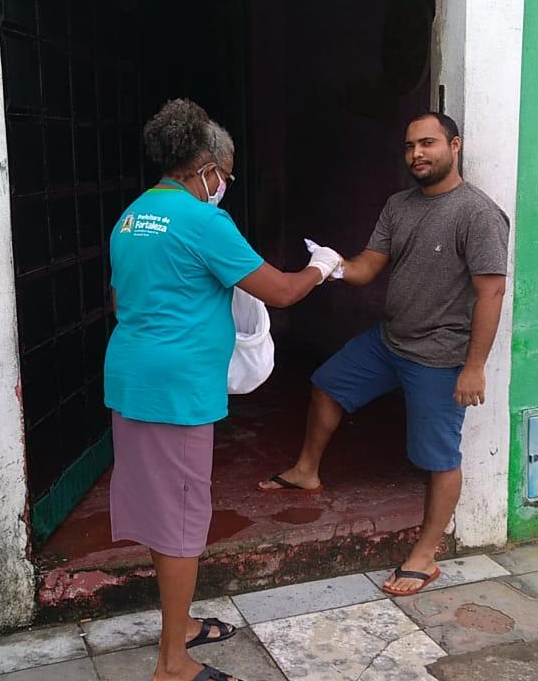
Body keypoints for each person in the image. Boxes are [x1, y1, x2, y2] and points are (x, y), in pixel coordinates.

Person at [105, 99, 341, 681]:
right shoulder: (203, 221)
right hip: (177, 390)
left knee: (164, 511)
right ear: (206, 166)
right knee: (184, 521)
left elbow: (120, 300)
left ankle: (179, 626)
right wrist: (323, 267)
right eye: (226, 176)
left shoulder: (133, 216)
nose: (225, 186)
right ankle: (173, 664)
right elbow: (282, 292)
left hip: (133, 377)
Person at [258, 112, 509, 597]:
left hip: (439, 353)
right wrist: (329, 266)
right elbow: (368, 268)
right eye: (410, 146)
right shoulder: (399, 205)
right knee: (327, 384)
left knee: (437, 457)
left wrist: (474, 367)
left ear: (454, 146)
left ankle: (426, 554)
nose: (417, 153)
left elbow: (491, 294)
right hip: (390, 338)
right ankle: (306, 471)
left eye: (428, 143)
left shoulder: (478, 214)